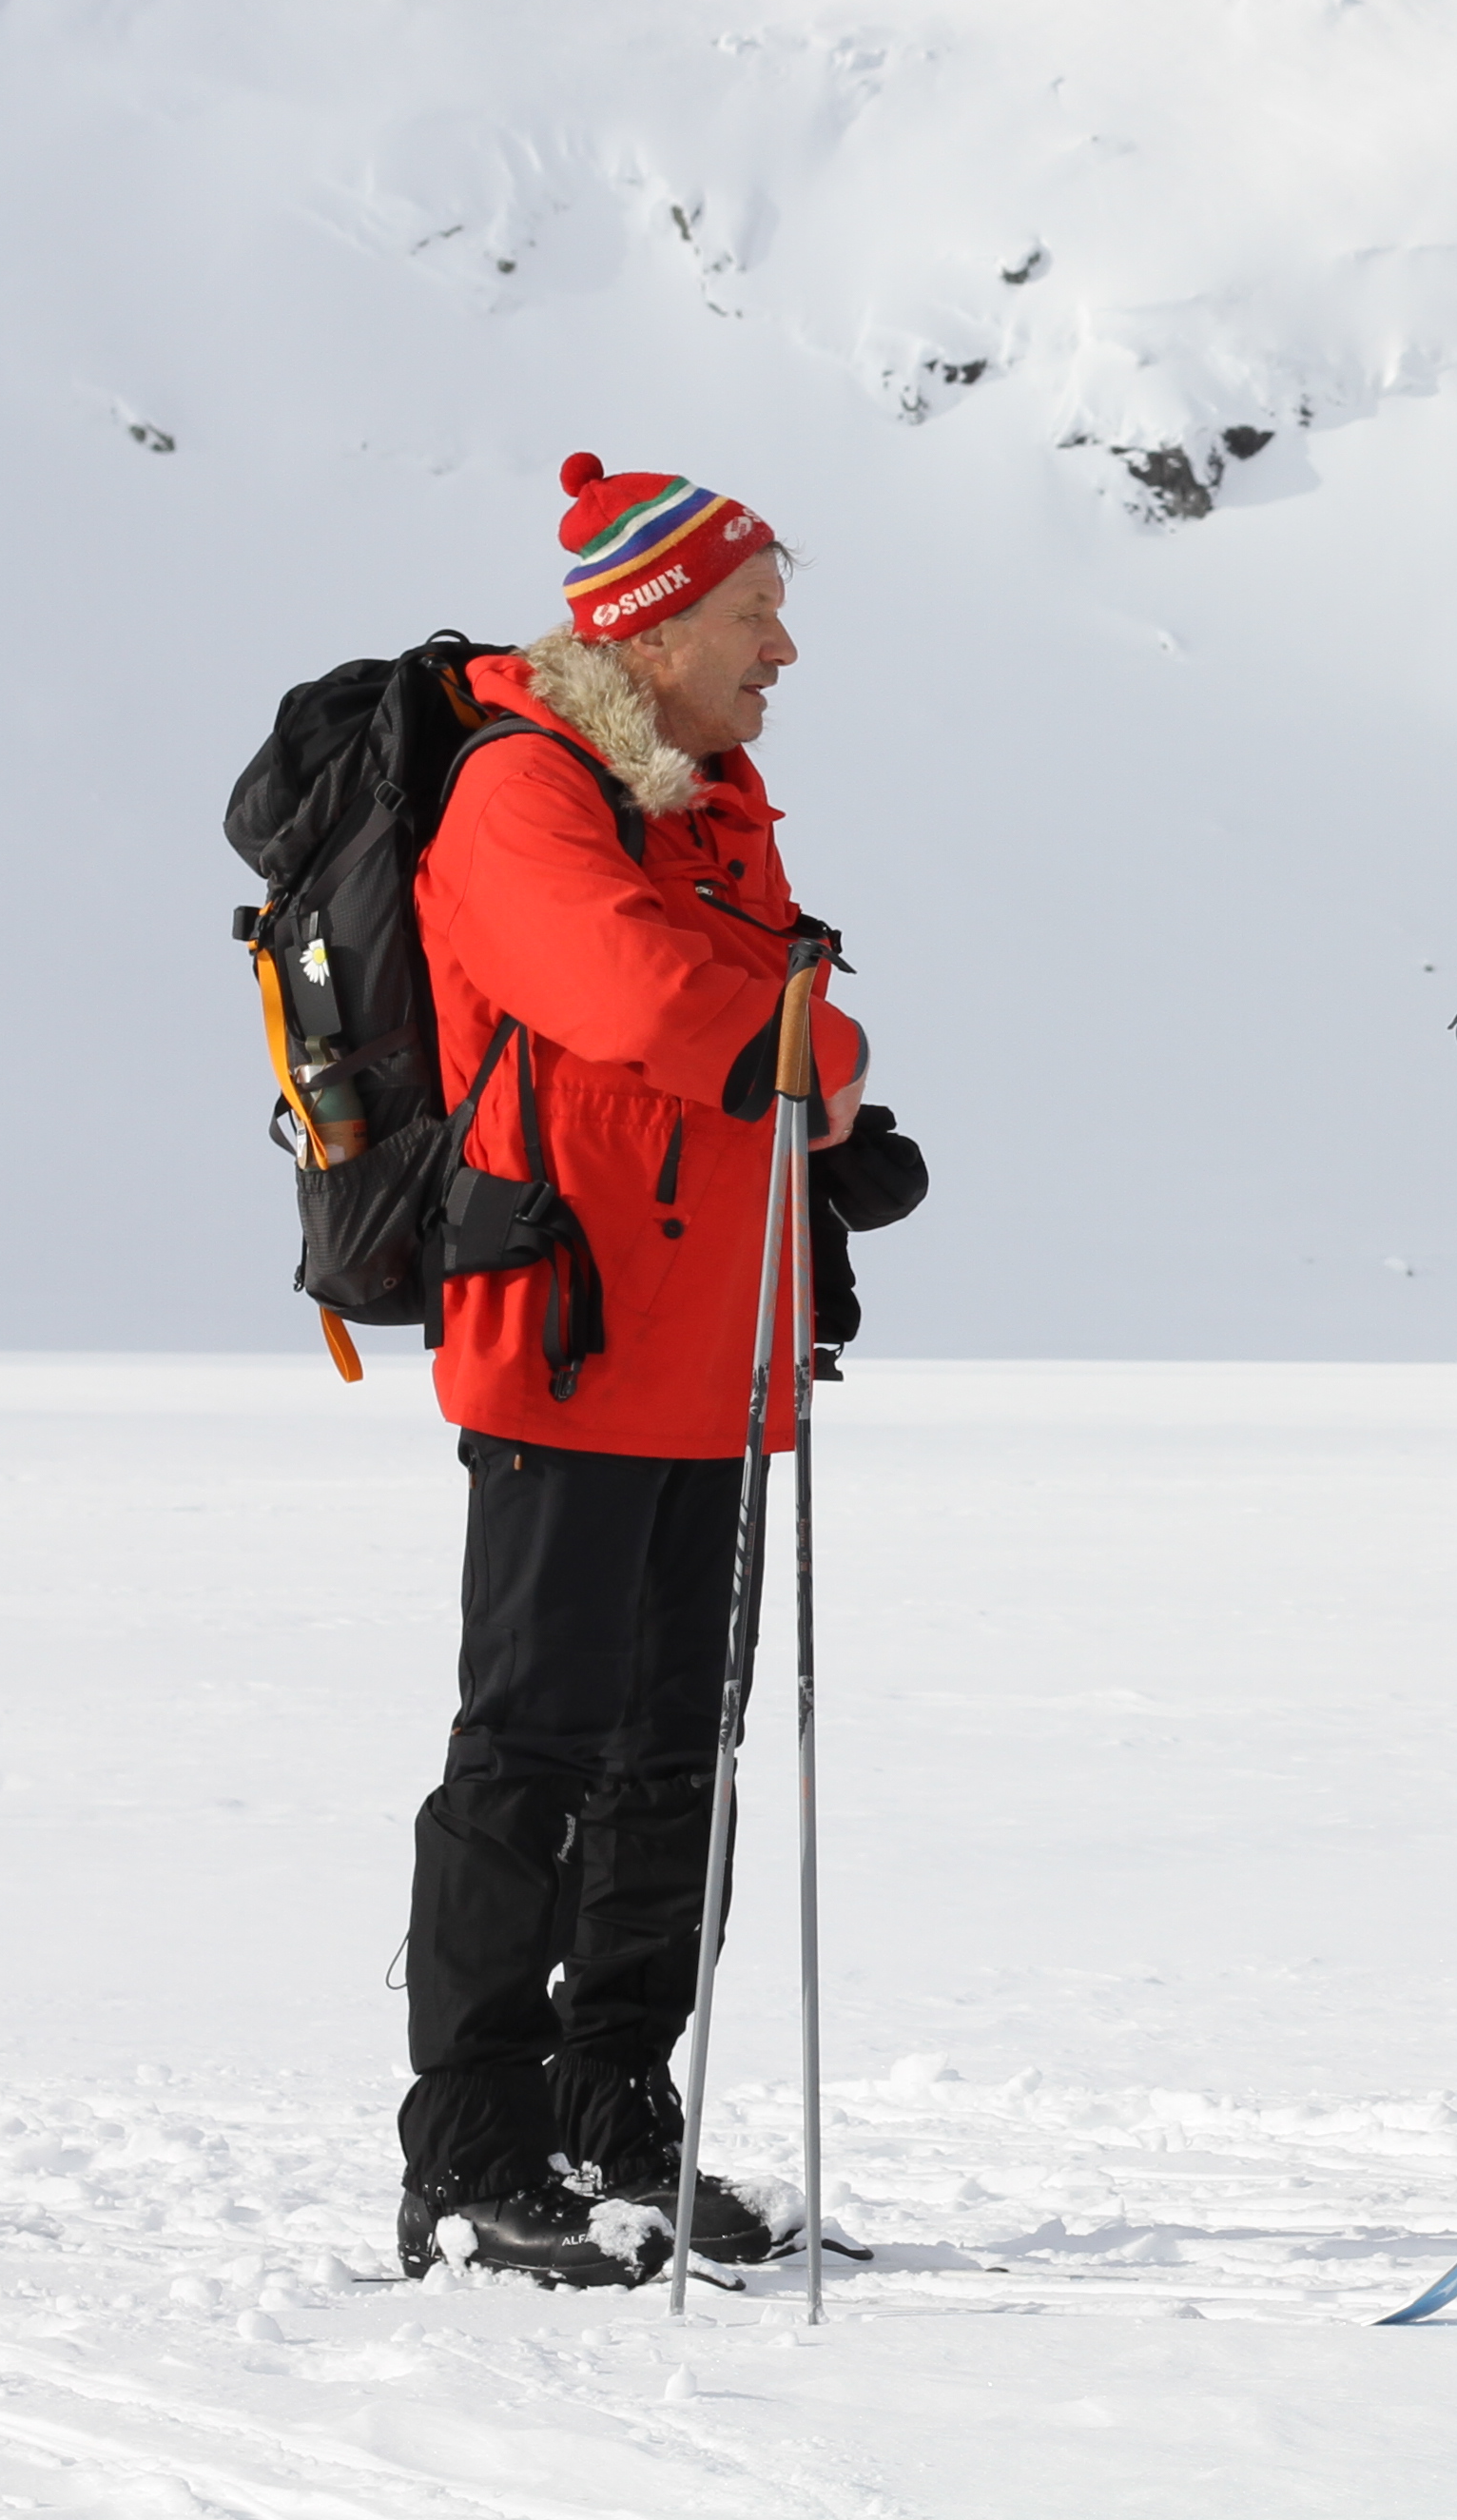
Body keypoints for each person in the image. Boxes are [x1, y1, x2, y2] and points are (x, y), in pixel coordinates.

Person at [393, 454, 901, 2287]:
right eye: (755, 608)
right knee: (526, 1755)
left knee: (676, 1758)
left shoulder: (705, 801)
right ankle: (470, 2146)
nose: (783, 645)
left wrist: (833, 1122)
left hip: (719, 1352)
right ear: (652, 624)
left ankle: (618, 2113)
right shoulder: (522, 787)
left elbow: (726, 1032)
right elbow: (637, 996)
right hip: (564, 1341)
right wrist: (818, 1058)